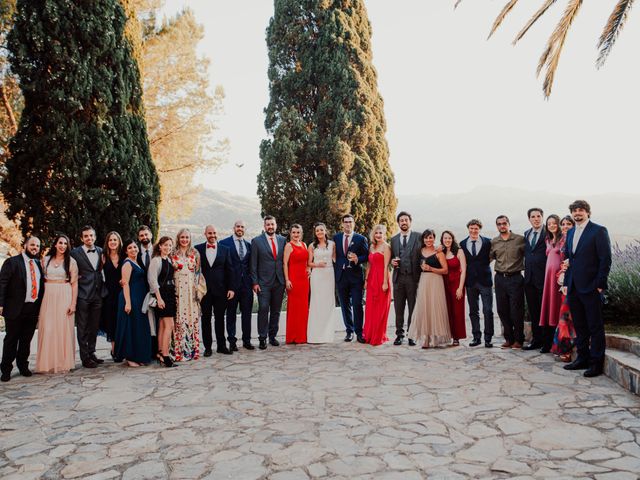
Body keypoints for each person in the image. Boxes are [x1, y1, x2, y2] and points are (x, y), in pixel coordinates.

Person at [563, 200, 612, 378]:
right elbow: (569, 259)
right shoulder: (570, 233)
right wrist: (567, 284)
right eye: (574, 211)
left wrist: (600, 285)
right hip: (574, 287)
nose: (577, 213)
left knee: (595, 326)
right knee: (580, 325)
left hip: (591, 287)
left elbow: (605, 259)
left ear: (588, 213)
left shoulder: (598, 231)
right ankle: (582, 358)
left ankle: (596, 364)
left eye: (581, 210)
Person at [0, 237, 44, 382]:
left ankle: (23, 366)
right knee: (11, 340)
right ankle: (6, 369)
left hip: (32, 308)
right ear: (25, 245)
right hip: (15, 308)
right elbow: (2, 284)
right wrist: (1, 304)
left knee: (26, 340)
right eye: (32, 244)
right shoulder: (12, 262)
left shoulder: (38, 264)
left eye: (37, 246)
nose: (35, 248)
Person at [35, 234, 79, 374]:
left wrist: (73, 304)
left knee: (62, 329)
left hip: (64, 294)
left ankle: (62, 363)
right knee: (47, 328)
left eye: (65, 244)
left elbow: (74, 284)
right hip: (48, 296)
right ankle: (47, 363)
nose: (62, 246)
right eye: (60, 243)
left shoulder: (71, 262)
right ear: (55, 244)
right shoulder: (45, 260)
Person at [195, 225, 235, 356]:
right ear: (205, 234)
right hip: (204, 291)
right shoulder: (198, 249)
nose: (212, 235)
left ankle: (221, 346)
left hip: (221, 290)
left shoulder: (225, 249)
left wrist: (231, 288)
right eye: (210, 233)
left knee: (220, 319)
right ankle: (207, 347)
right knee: (205, 319)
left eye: (214, 233)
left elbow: (230, 270)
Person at [408, 229, 451, 348]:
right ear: (423, 239)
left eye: (431, 237)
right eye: (426, 238)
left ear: (434, 238)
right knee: (424, 308)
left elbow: (445, 270)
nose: (428, 240)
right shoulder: (419, 251)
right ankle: (425, 339)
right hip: (424, 281)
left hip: (436, 281)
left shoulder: (439, 252)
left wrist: (431, 269)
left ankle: (435, 338)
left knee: (435, 308)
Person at [70, 225, 106, 368]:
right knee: (83, 327)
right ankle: (85, 358)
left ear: (95, 237)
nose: (89, 238)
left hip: (98, 295)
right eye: (86, 236)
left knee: (94, 326)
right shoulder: (74, 253)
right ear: (82, 238)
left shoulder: (101, 251)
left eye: (91, 235)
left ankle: (92, 353)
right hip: (83, 295)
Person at [251, 215, 287, 350]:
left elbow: (284, 261)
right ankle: (262, 338)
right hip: (263, 283)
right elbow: (253, 264)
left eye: (272, 224)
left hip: (279, 281)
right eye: (268, 225)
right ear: (264, 226)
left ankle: (273, 337)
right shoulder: (256, 241)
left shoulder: (282, 240)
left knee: (276, 310)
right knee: (264, 309)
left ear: (276, 225)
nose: (270, 227)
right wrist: (254, 282)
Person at [490, 216, 526, 349]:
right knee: (502, 310)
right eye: (499, 224)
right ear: (497, 226)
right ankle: (509, 339)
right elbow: (488, 258)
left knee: (516, 311)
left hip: (515, 278)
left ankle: (518, 340)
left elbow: (529, 255)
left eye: (504, 223)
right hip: (499, 279)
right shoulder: (494, 242)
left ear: (509, 224)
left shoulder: (520, 239)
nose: (502, 226)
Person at [115, 239, 151, 367]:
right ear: (126, 251)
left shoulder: (137, 262)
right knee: (131, 327)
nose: (133, 250)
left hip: (139, 297)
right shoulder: (127, 263)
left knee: (138, 327)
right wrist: (128, 303)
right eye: (130, 248)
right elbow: (125, 284)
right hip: (131, 298)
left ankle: (138, 355)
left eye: (135, 247)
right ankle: (130, 357)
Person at [333, 214, 369, 343]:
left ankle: (359, 333)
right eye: (346, 222)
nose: (348, 224)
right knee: (344, 305)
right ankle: (349, 331)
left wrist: (358, 259)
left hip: (356, 277)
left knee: (357, 304)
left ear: (354, 223)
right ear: (342, 224)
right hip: (341, 277)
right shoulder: (336, 238)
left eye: (350, 222)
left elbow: (367, 255)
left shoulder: (361, 239)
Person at [219, 220, 254, 350]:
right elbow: (222, 268)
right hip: (231, 287)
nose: (240, 228)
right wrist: (227, 286)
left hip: (246, 286)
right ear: (233, 228)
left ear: (244, 229)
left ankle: (247, 341)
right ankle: (232, 342)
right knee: (231, 314)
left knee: (247, 314)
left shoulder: (248, 245)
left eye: (242, 227)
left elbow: (250, 266)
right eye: (238, 226)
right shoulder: (224, 244)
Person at [460, 219, 494, 348]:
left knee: (488, 310)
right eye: (471, 228)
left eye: (476, 228)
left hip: (485, 281)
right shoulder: (462, 244)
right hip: (470, 282)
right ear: (468, 229)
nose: (474, 231)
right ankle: (476, 337)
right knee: (473, 311)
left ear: (480, 229)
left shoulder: (488, 242)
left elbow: (492, 256)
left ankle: (488, 338)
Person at [390, 211, 421, 346]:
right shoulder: (394, 239)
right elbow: (391, 256)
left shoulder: (419, 237)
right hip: (398, 278)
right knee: (399, 308)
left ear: (410, 221)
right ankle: (399, 335)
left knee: (413, 307)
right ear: (398, 223)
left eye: (406, 220)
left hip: (413, 278)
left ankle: (411, 335)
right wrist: (392, 261)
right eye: (401, 220)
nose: (403, 222)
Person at [171, 228, 201, 361]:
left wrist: (197, 292)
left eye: (187, 237)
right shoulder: (172, 253)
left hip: (191, 292)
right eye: (182, 237)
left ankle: (192, 351)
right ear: (178, 238)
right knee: (178, 320)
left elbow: (198, 273)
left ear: (190, 238)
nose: (184, 240)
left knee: (191, 319)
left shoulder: (195, 253)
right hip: (177, 292)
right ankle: (178, 352)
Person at [148, 236, 177, 367]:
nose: (168, 247)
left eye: (170, 245)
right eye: (165, 245)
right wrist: (159, 298)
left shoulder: (168, 260)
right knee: (169, 325)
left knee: (163, 325)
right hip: (163, 295)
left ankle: (160, 352)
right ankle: (165, 356)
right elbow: (153, 280)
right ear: (159, 246)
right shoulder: (156, 260)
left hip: (170, 294)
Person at [551, 216, 577, 362]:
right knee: (564, 316)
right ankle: (563, 347)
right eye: (563, 224)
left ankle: (568, 348)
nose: (565, 226)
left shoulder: (575, 239)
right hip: (564, 281)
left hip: (576, 280)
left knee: (569, 316)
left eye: (568, 224)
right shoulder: (561, 241)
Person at [538, 215, 564, 353]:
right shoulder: (548, 239)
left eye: (554, 223)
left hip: (557, 278)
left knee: (556, 308)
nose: (552, 225)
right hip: (548, 279)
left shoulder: (563, 239)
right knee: (547, 309)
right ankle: (546, 343)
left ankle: (557, 344)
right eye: (549, 223)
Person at [307, 223, 336, 344]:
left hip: (329, 274)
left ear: (325, 231)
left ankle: (327, 334)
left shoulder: (332, 244)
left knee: (329, 303)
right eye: (317, 230)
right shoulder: (312, 246)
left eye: (321, 230)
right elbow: (309, 263)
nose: (319, 232)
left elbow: (335, 259)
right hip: (317, 275)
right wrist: (317, 264)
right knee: (317, 303)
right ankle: (315, 335)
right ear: (315, 232)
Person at [523, 208, 547, 351]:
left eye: (538, 216)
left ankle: (546, 341)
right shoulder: (526, 234)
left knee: (544, 311)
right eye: (533, 217)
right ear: (529, 219)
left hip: (544, 278)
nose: (536, 219)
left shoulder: (548, 233)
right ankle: (536, 340)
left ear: (542, 217)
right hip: (529, 279)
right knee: (534, 311)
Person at [363, 224, 392, 346]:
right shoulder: (371, 246)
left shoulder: (386, 247)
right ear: (373, 234)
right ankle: (369, 335)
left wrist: (385, 282)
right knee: (371, 308)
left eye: (380, 233)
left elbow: (386, 266)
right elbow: (369, 265)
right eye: (376, 233)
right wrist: (366, 279)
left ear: (384, 234)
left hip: (382, 278)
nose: (378, 235)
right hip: (371, 279)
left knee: (380, 308)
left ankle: (378, 335)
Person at [283, 224, 310, 344]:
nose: (295, 235)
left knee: (303, 308)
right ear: (290, 233)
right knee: (294, 308)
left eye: (298, 232)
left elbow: (308, 262)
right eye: (293, 232)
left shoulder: (304, 245)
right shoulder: (289, 246)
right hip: (293, 280)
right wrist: (287, 280)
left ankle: (302, 336)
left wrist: (309, 268)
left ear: (301, 233)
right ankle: (293, 336)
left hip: (304, 280)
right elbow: (285, 264)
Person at [100, 231, 123, 361]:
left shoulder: (123, 256)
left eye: (115, 240)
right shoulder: (103, 257)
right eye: (110, 240)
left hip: (122, 294)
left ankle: (122, 348)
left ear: (119, 242)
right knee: (112, 322)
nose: (113, 242)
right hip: (108, 295)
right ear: (107, 243)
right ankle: (115, 350)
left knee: (121, 321)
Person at [441, 230, 467, 346]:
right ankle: (448, 335)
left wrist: (460, 288)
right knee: (447, 311)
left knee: (457, 312)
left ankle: (456, 337)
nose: (447, 240)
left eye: (449, 238)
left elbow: (464, 271)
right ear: (442, 240)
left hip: (456, 284)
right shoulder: (441, 252)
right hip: (444, 284)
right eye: (445, 238)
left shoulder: (459, 251)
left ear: (453, 239)